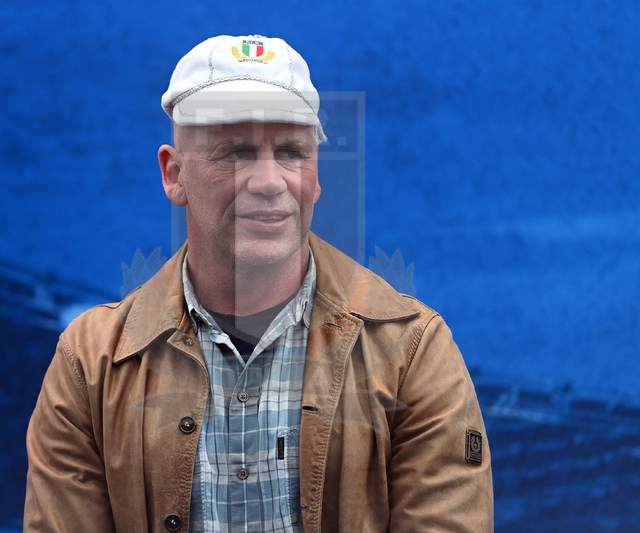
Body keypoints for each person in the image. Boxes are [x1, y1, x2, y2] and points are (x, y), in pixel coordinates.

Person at [24, 34, 493, 532]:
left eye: (291, 152)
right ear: (173, 174)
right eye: (236, 153)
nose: (270, 182)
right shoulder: (88, 365)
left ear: (315, 177)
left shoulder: (413, 351)